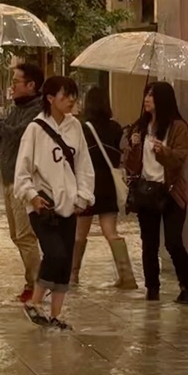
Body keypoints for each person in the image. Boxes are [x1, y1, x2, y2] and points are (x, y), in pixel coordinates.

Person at [13, 76, 94, 330]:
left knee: (65, 261)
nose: (71, 100)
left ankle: (56, 315)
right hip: (43, 207)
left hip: (69, 206)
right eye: (65, 96)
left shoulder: (75, 127)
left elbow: (84, 166)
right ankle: (35, 303)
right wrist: (32, 196)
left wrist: (83, 196)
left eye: (73, 95)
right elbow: (22, 171)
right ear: (50, 99)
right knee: (55, 254)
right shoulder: (35, 130)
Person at [0, 62, 45, 302]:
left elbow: (15, 132)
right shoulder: (18, 108)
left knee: (26, 236)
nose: (11, 87)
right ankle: (33, 281)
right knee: (17, 235)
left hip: (24, 182)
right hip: (9, 180)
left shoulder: (37, 111)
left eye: (15, 82)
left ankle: (36, 286)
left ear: (31, 85)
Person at [124, 82, 188, 304]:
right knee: (149, 243)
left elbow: (181, 159)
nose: (146, 99)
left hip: (171, 192)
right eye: (146, 95)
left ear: (163, 100)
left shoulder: (178, 127)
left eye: (152, 96)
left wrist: (164, 152)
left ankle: (187, 287)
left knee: (173, 242)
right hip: (147, 192)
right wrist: (133, 146)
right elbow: (131, 165)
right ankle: (152, 289)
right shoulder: (140, 127)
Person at [73, 88, 137, 289]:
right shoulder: (115, 128)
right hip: (109, 185)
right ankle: (127, 276)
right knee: (111, 231)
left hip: (88, 185)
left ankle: (72, 276)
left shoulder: (82, 128)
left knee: (79, 234)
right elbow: (121, 155)